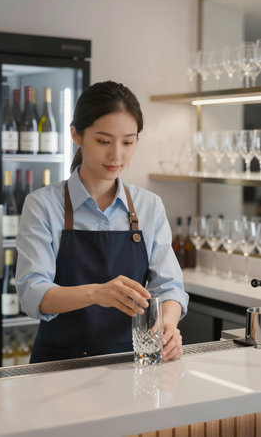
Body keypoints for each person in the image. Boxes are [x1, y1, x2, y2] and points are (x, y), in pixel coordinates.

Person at [15, 81, 189, 364]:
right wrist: (98, 293)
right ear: (77, 135)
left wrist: (168, 325)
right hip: (58, 365)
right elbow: (33, 293)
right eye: (104, 141)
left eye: (128, 142)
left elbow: (169, 287)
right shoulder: (42, 205)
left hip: (132, 362)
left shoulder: (149, 205)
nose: (116, 155)